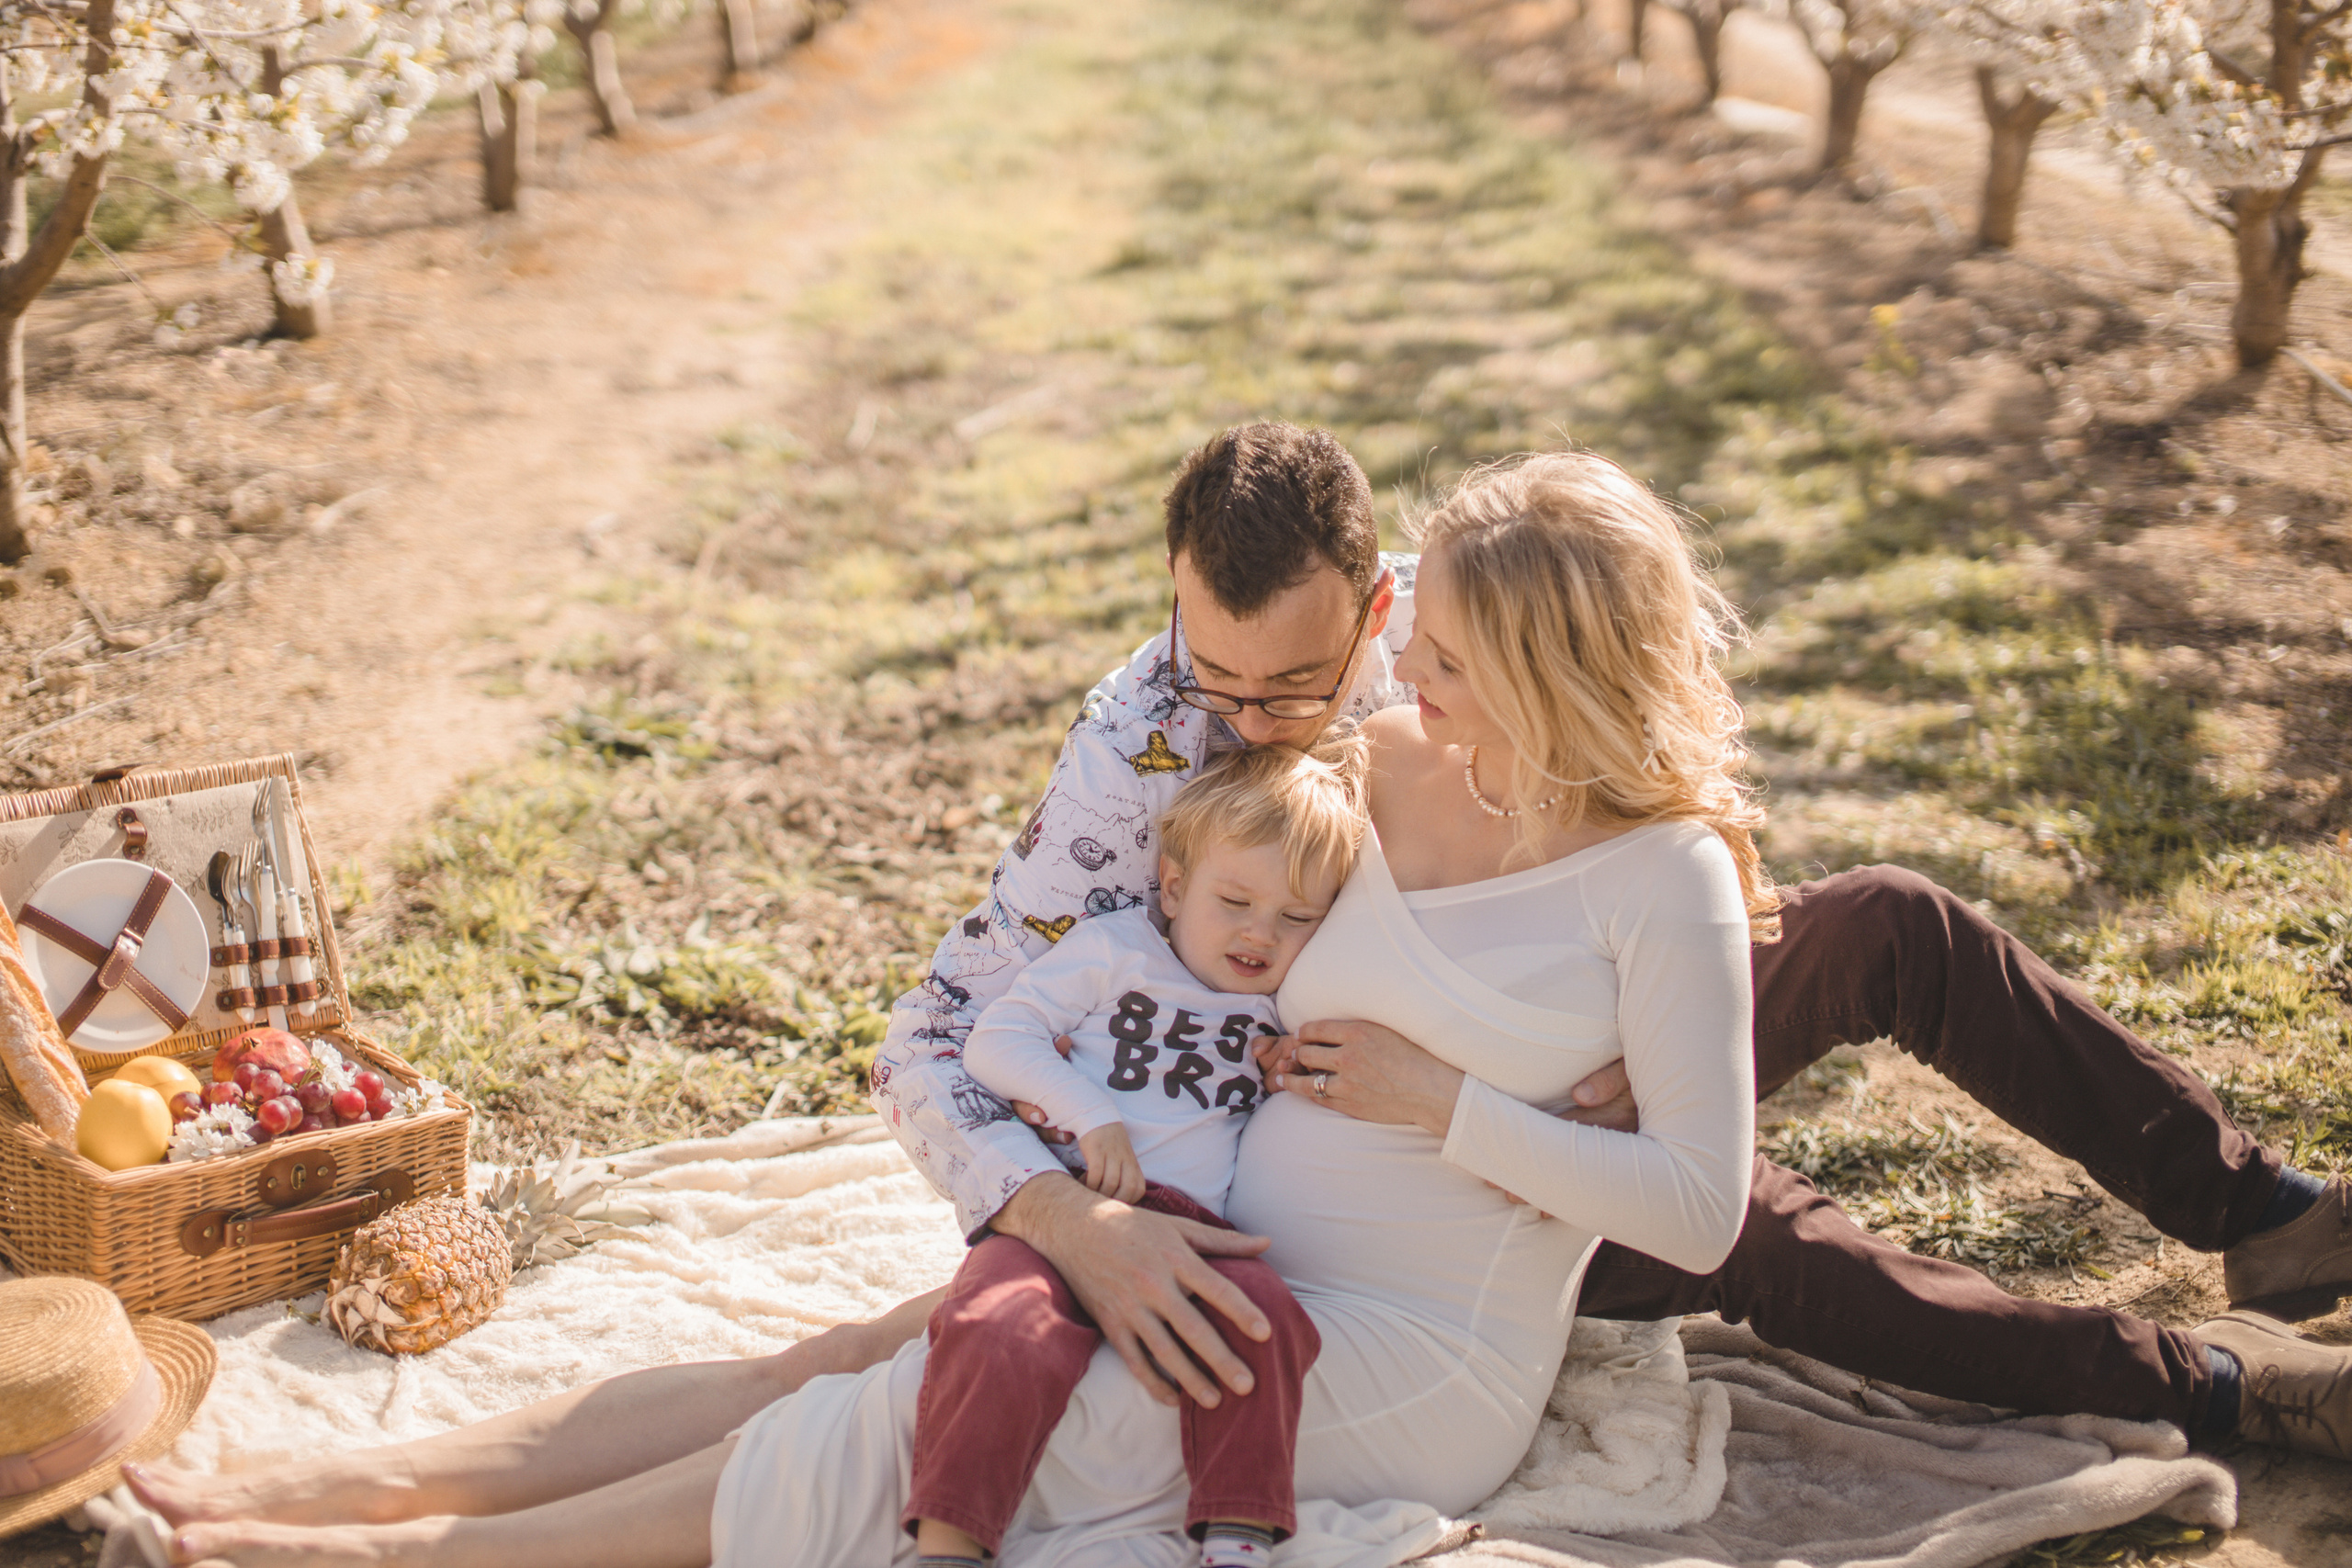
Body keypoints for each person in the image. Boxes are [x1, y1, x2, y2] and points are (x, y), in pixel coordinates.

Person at [130, 446, 1768, 1564]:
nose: (1409, 676)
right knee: (855, 1354)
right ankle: (328, 1478)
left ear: (1548, 669)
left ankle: (354, 1550)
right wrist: (1066, 1214)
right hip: (1205, 1236)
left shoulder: (1660, 875)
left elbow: (1699, 1206)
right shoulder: (1356, 755)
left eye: (1447, 653)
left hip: (1399, 1350)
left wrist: (1456, 1100)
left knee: (905, 1423)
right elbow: (967, 1012)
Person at [871, 422, 2352, 1456]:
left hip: (1535, 1025)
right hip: (1361, 1172)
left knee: (1888, 919)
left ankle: (2261, 1212)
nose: (1254, 719)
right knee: (1745, 1215)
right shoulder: (1133, 755)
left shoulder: (1446, 630)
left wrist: (1660, 1007)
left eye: (1301, 683)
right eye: (1219, 679)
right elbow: (929, 1036)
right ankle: (2210, 1384)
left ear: (1380, 609)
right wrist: (1064, 1214)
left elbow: (1631, 773)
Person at [909, 739, 1367, 1568]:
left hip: (1192, 1225)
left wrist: (1286, 1071)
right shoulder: (1117, 949)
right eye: (1235, 900)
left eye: (1297, 917)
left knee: (1267, 1321)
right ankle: (949, 1541)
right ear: (1175, 887)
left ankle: (1236, 1532)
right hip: (1063, 1202)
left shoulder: (1281, 1003)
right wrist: (1091, 1117)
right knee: (997, 1325)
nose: (1261, 932)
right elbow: (997, 1039)